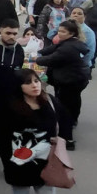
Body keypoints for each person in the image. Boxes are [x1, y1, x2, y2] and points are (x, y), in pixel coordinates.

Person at [0, 69, 72, 194]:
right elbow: (0, 136)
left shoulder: (50, 102)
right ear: (19, 86)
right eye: (28, 83)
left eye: (36, 81)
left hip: (46, 163)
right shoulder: (10, 107)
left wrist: (62, 140)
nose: (35, 85)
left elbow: (66, 121)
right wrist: (8, 159)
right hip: (19, 164)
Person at [36, 20, 90, 150]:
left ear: (71, 33)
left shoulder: (67, 48)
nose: (59, 33)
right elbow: (52, 49)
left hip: (69, 81)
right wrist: (42, 51)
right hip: (78, 79)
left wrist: (36, 58)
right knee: (74, 102)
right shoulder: (73, 43)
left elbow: (51, 59)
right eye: (59, 30)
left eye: (63, 32)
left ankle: (67, 139)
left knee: (64, 109)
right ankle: (73, 121)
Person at [0, 19, 24, 103]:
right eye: (8, 33)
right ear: (0, 31)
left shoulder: (19, 49)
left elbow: (19, 69)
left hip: (12, 94)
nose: (11, 36)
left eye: (14, 34)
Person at [70, 7, 96, 76]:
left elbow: (90, 51)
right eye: (74, 13)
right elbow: (50, 35)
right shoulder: (65, 27)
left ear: (84, 17)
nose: (76, 15)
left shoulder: (87, 31)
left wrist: (81, 65)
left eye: (79, 14)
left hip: (79, 66)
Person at [81, 0, 97, 68]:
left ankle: (92, 59)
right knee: (91, 49)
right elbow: (80, 11)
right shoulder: (91, 2)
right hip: (92, 30)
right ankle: (89, 63)